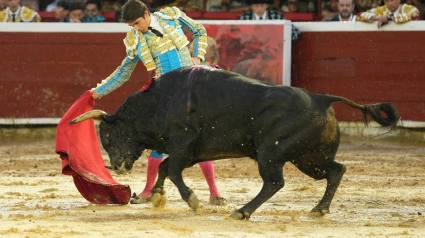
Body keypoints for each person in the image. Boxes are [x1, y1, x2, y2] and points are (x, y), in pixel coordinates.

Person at [90, 0, 226, 205]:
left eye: (137, 23)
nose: (136, 29)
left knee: (198, 138)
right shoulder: (134, 39)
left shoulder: (171, 16)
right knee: (158, 142)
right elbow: (123, 72)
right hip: (165, 93)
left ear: (146, 14)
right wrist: (98, 92)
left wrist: (197, 55)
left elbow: (199, 30)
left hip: (190, 86)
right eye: (132, 26)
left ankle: (215, 193)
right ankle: (148, 191)